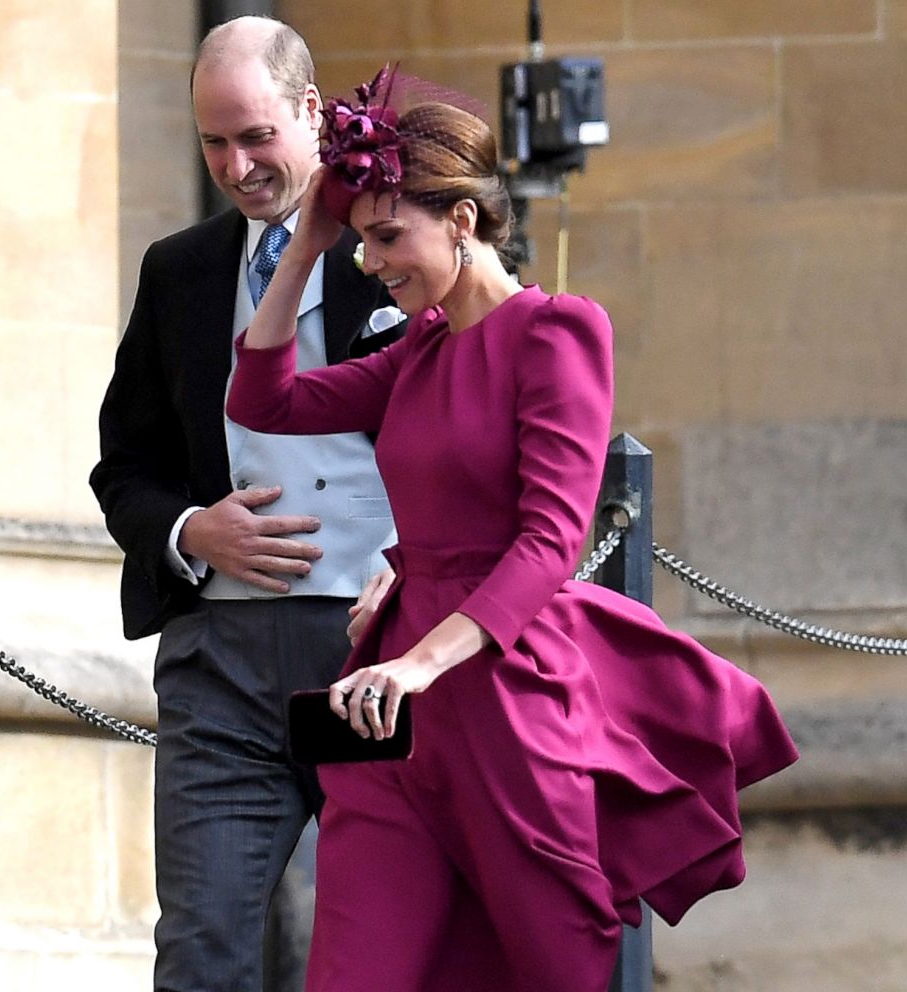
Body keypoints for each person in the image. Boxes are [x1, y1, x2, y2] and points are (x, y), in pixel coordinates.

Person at [227, 69, 799, 992]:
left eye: (388, 237)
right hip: (392, 716)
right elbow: (264, 398)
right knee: (350, 975)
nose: (373, 262)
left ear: (460, 222)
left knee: (548, 968)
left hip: (507, 704)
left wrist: (418, 661)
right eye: (364, 241)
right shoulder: (418, 348)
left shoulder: (557, 334)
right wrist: (309, 244)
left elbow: (549, 544)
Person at [89, 19, 403, 992]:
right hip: (218, 669)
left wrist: (418, 562)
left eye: (256, 135)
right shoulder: (177, 270)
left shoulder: (400, 244)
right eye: (213, 142)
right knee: (200, 953)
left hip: (379, 659)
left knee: (381, 954)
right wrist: (191, 528)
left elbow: (481, 434)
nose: (236, 164)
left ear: (312, 112)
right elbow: (124, 467)